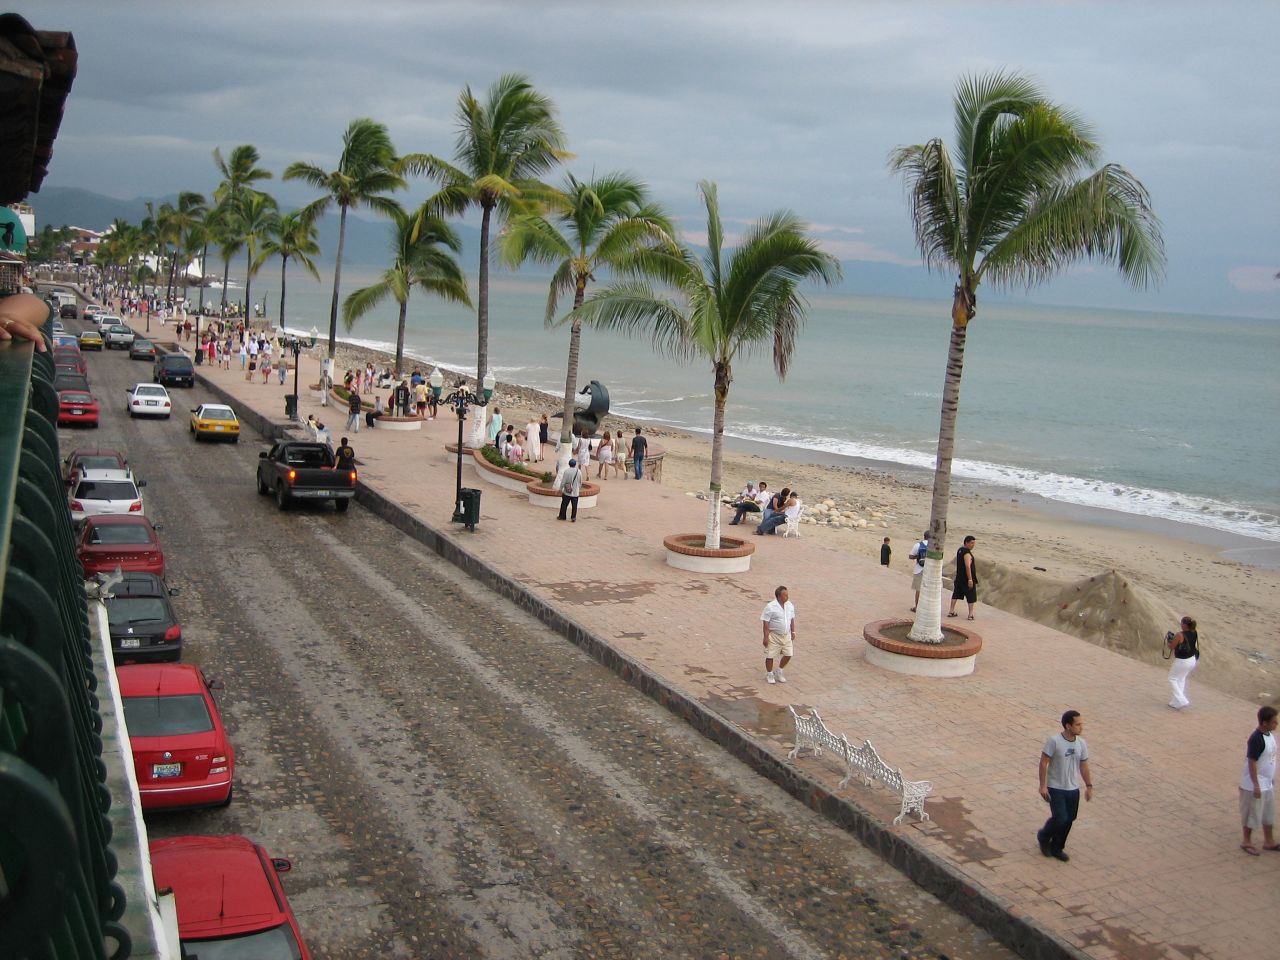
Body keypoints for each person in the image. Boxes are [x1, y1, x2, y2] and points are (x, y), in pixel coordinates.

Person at [1037, 710, 1093, 862]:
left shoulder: (1081, 743)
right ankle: (1044, 836)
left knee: (1070, 818)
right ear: (1068, 726)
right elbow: (1044, 762)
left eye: (1082, 724)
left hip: (1072, 788)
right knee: (1061, 817)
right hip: (1056, 787)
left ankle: (1057, 847)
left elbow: (1084, 766)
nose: (1081, 727)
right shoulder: (1054, 741)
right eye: (1078, 724)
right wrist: (1043, 786)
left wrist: (1088, 786)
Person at [1239, 705, 1278, 856]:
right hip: (1254, 785)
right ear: (1264, 723)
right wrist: (1255, 784)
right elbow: (1252, 762)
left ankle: (1269, 841)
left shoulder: (1269, 735)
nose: (1276, 724)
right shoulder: (1256, 739)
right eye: (1274, 722)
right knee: (1252, 813)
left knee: (1268, 813)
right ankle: (1246, 841)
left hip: (1267, 783)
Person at [760, 585, 796, 684]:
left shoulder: (790, 605)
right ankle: (770, 673)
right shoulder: (771, 607)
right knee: (770, 655)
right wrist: (765, 637)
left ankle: (779, 670)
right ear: (779, 596)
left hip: (786, 635)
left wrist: (793, 631)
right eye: (785, 595)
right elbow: (765, 622)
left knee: (789, 654)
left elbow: (792, 618)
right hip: (774, 635)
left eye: (787, 595)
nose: (787, 597)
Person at [1165, 616, 1200, 710]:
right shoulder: (1194, 632)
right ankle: (1175, 702)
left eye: (1181, 623)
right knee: (1181, 678)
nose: (1180, 625)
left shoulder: (1180, 635)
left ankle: (1182, 700)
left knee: (1172, 678)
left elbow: (1171, 647)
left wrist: (1169, 640)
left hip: (1182, 661)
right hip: (1192, 659)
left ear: (1185, 625)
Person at [947, 535, 978, 620]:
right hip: (966, 579)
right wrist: (970, 579)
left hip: (959, 578)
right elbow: (968, 566)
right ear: (966, 542)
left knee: (956, 594)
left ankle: (951, 611)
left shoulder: (960, 550)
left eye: (974, 543)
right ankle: (970, 614)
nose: (973, 545)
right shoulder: (967, 553)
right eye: (971, 543)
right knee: (971, 596)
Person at [557, 457, 584, 521]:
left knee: (564, 505)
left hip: (567, 491)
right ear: (575, 464)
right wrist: (578, 488)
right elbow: (580, 482)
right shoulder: (579, 471)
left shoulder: (566, 471)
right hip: (575, 492)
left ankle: (562, 516)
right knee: (574, 506)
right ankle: (573, 517)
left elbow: (563, 481)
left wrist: (560, 489)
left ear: (569, 464)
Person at [909, 533, 929, 612]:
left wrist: (918, 556)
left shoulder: (918, 545)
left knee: (918, 590)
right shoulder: (934, 546)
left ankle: (917, 607)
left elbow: (910, 556)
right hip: (930, 570)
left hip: (919, 569)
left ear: (924, 536)